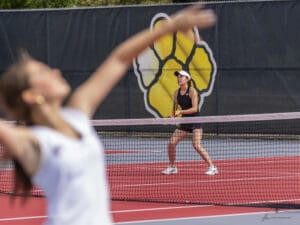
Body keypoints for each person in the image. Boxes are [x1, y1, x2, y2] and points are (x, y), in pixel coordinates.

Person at [0, 4, 216, 225]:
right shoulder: (31, 140)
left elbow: (119, 59)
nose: (55, 71)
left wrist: (169, 27)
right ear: (30, 95)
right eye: (43, 72)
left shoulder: (77, 114)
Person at [162, 70, 218, 175]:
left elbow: (195, 109)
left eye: (181, 77)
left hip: (195, 120)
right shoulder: (176, 93)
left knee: (196, 145)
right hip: (185, 122)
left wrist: (181, 112)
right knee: (171, 143)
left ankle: (212, 167)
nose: (179, 78)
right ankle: (173, 167)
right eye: (178, 77)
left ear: (187, 79)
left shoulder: (192, 91)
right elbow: (175, 108)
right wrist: (173, 114)